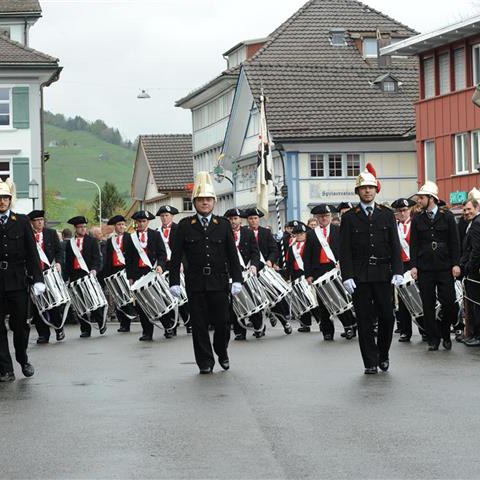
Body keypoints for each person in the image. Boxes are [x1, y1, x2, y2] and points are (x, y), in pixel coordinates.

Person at [169, 172, 242, 374]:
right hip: (196, 282)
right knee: (199, 325)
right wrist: (173, 281)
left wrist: (237, 279)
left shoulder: (224, 225)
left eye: (208, 199)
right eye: (201, 200)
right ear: (195, 202)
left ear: (214, 202)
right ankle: (205, 361)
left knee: (223, 322)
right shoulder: (185, 226)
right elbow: (175, 257)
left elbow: (232, 255)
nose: (205, 203)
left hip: (219, 282)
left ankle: (222, 351)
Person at [339, 164, 403, 374]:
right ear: (357, 191)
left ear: (376, 190)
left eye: (371, 187)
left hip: (383, 273)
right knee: (364, 320)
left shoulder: (386, 214)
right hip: (360, 276)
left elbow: (395, 244)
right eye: (363, 188)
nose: (367, 191)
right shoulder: (349, 217)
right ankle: (370, 361)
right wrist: (347, 275)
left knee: (387, 317)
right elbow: (345, 250)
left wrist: (398, 270)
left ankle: (383, 353)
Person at [0, 178, 44, 382]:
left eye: (5, 198)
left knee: (20, 326)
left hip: (17, 281)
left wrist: (38, 279)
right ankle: (5, 369)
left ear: (10, 200)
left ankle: (22, 359)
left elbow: (32, 253)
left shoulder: (22, 221)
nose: (2, 201)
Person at [410, 181, 461, 351]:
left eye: (422, 198)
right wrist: (414, 266)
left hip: (445, 266)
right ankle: (433, 338)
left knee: (448, 302)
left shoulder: (447, 217)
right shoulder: (417, 219)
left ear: (431, 198)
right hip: (425, 268)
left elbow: (454, 242)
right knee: (428, 304)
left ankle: (445, 332)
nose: (419, 200)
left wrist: (456, 264)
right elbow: (414, 245)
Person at [303, 204, 356, 340]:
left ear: (331, 216)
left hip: (336, 268)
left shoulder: (338, 230)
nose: (324, 218)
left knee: (341, 298)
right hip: (319, 270)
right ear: (317, 218)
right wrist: (308, 275)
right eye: (321, 216)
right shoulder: (311, 234)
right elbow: (307, 256)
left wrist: (344, 264)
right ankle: (327, 331)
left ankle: (349, 326)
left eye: (326, 216)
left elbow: (346, 250)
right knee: (323, 303)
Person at [245, 208, 292, 336]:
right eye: (250, 218)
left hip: (265, 270)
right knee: (254, 299)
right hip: (250, 271)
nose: (253, 221)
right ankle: (259, 328)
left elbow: (274, 250)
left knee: (273, 298)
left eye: (255, 218)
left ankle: (284, 322)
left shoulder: (265, 233)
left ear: (258, 219)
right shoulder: (244, 233)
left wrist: (270, 261)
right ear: (247, 220)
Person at [124, 210, 168, 341]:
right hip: (138, 274)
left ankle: (168, 327)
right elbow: (129, 259)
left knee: (158, 300)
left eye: (144, 221)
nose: (142, 224)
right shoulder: (131, 238)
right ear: (136, 223)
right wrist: (130, 277)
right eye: (139, 222)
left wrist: (160, 265)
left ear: (148, 222)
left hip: (152, 272)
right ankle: (147, 332)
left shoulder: (155, 235)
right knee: (142, 304)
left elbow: (162, 253)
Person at [390, 198, 426, 343]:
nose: (402, 213)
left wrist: (417, 265)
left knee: (419, 297)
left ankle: (424, 329)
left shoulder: (416, 224)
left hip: (415, 264)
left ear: (410, 210)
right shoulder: (393, 227)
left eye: (405, 210)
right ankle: (405, 331)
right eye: (399, 211)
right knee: (403, 299)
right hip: (400, 266)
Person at [65, 216, 107, 338]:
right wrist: (67, 276)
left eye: (84, 226)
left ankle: (101, 323)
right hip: (75, 275)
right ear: (75, 228)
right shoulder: (70, 243)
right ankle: (85, 329)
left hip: (88, 274)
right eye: (80, 227)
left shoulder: (92, 241)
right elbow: (67, 261)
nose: (83, 229)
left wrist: (94, 270)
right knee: (80, 303)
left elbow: (97, 258)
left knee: (92, 300)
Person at [28, 209, 65, 344]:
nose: (40, 223)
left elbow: (59, 251)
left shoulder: (51, 233)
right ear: (32, 222)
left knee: (53, 303)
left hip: (48, 273)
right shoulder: (28, 235)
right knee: (38, 306)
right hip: (34, 275)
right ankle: (43, 334)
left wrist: (59, 263)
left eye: (41, 220)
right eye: (37, 221)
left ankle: (59, 329)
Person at [224, 208, 261, 341]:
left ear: (240, 219)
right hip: (230, 273)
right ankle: (239, 331)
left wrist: (254, 265)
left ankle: (258, 327)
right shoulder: (223, 233)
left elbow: (255, 252)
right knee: (233, 303)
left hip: (246, 271)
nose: (233, 221)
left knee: (251, 299)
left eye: (235, 219)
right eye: (230, 219)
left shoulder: (248, 233)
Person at [156, 205, 191, 334]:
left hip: (178, 265)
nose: (164, 218)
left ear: (172, 216)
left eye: (167, 215)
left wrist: (182, 262)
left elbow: (184, 248)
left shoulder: (179, 229)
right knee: (167, 297)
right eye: (162, 216)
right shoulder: (157, 231)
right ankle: (171, 327)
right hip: (164, 266)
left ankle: (189, 323)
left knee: (182, 295)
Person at [103, 215, 137, 332]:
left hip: (127, 270)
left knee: (130, 296)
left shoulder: (131, 237)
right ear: (115, 227)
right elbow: (107, 259)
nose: (121, 226)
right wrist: (107, 275)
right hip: (114, 271)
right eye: (119, 224)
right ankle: (124, 324)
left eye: (123, 224)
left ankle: (134, 316)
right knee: (119, 298)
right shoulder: (109, 241)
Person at [460, 196, 480, 346]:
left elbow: (476, 250)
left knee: (476, 304)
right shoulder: (472, 223)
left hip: (475, 272)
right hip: (473, 270)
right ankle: (473, 334)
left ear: (477, 208)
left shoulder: (477, 224)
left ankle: (477, 336)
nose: (466, 212)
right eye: (465, 209)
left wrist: (469, 267)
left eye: (469, 209)